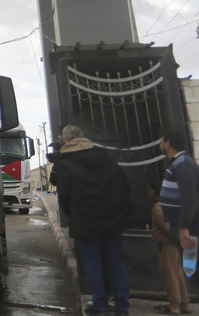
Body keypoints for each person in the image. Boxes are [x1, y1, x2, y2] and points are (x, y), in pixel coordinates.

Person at [51, 124, 134, 315]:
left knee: (93, 262)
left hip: (86, 220)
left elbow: (64, 196)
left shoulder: (65, 161)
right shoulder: (102, 154)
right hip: (112, 218)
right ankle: (122, 307)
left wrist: (75, 216)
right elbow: (124, 181)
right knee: (115, 261)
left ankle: (100, 306)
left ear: (65, 139)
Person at [159, 130, 199, 316]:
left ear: (168, 143)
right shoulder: (179, 163)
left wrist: (183, 227)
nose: (161, 144)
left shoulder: (184, 164)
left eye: (162, 141)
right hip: (188, 228)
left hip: (192, 229)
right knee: (197, 275)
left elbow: (189, 199)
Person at [150, 182, 190, 314]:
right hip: (174, 244)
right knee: (177, 274)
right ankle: (184, 303)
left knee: (169, 274)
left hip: (167, 245)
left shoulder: (159, 208)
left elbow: (167, 229)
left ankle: (174, 305)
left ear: (153, 192)